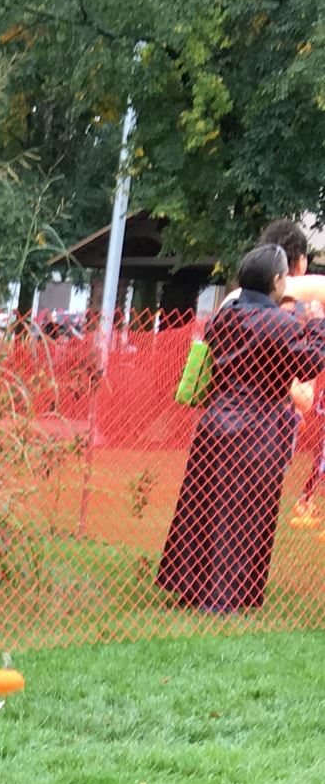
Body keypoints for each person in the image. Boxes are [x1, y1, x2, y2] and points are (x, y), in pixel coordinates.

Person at [158, 239, 325, 611]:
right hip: (258, 427)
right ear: (278, 280)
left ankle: (191, 585)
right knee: (244, 512)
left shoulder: (223, 317)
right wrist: (316, 325)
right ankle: (226, 596)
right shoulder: (278, 323)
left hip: (215, 422)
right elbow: (309, 363)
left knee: (204, 505)